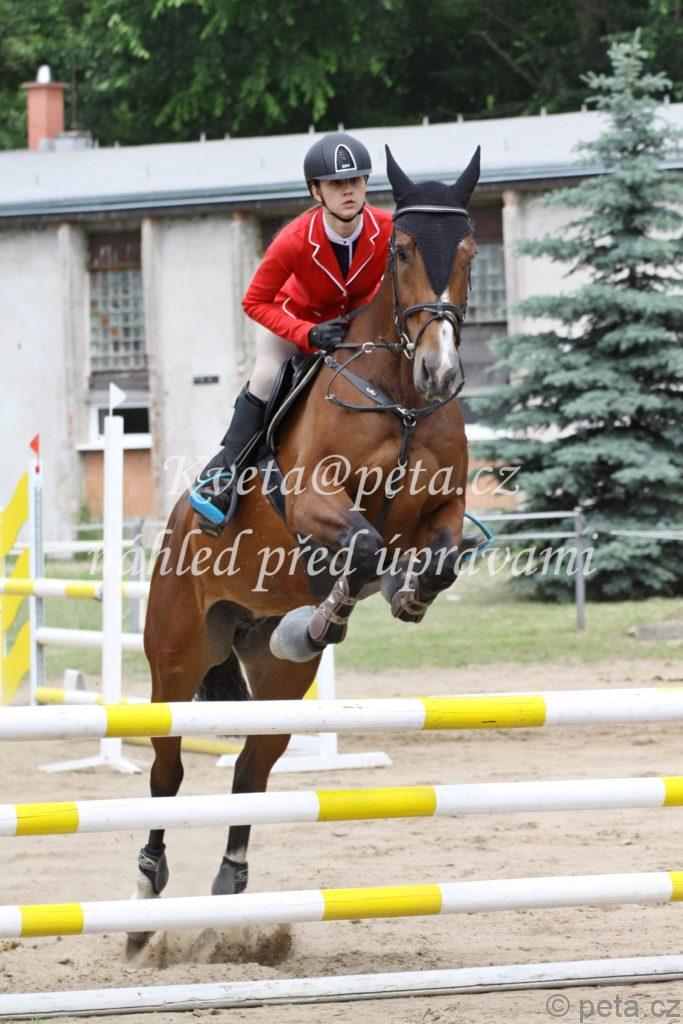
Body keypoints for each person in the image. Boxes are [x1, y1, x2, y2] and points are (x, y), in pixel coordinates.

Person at [190, 131, 393, 536]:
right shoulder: (294, 239)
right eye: (336, 184)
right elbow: (255, 302)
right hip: (297, 325)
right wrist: (307, 333)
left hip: (358, 331)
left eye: (355, 181)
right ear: (316, 191)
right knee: (266, 376)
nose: (348, 191)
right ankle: (225, 474)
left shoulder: (388, 228)